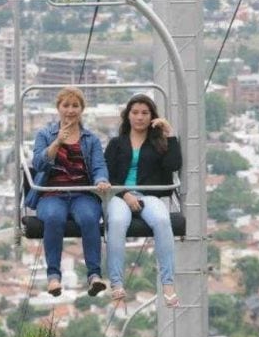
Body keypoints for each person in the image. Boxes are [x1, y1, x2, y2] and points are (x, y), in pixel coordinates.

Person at [25, 86, 111, 296]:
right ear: (58, 108)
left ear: (82, 109)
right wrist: (57, 143)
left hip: (82, 193)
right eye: (66, 106)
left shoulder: (90, 139)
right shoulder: (45, 135)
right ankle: (53, 276)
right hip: (52, 193)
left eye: (75, 106)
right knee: (54, 218)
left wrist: (101, 180)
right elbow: (39, 163)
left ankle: (94, 275)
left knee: (90, 218)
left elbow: (99, 166)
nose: (70, 110)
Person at [104, 94, 183, 308]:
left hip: (150, 195)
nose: (140, 117)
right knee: (118, 222)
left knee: (162, 221)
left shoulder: (158, 143)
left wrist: (170, 134)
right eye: (135, 112)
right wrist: (125, 194)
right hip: (122, 195)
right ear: (128, 116)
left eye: (145, 113)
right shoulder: (117, 143)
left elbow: (173, 165)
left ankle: (167, 283)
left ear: (152, 117)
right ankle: (117, 282)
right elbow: (107, 174)